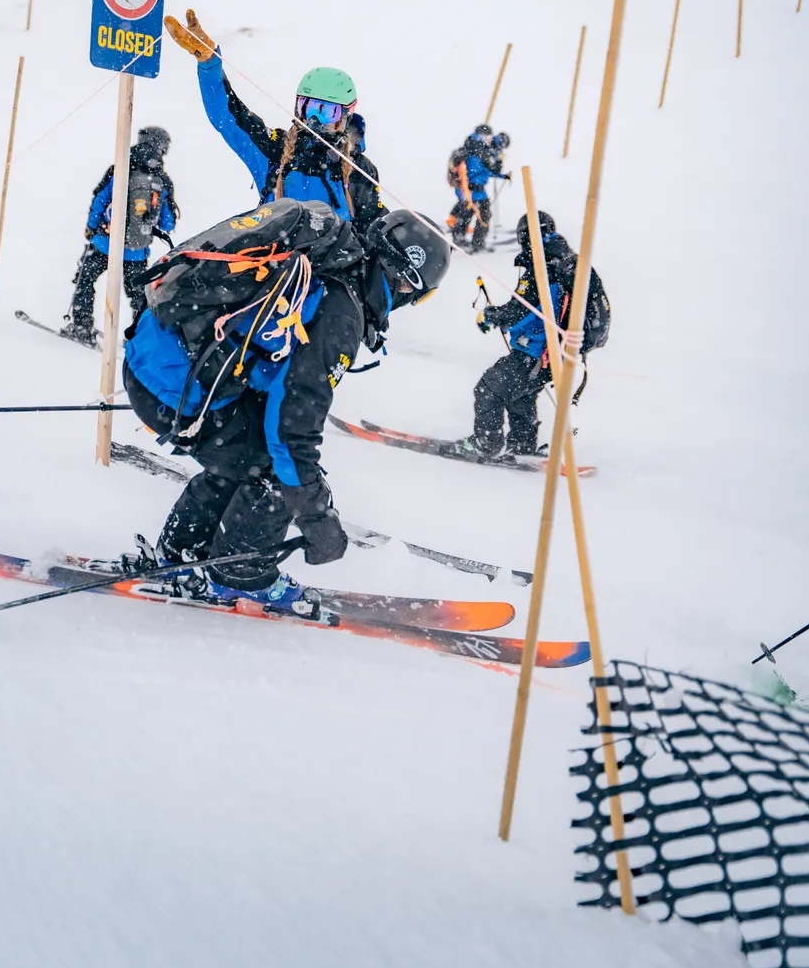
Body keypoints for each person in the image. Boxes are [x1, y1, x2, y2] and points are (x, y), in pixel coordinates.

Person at [123, 202, 451, 610]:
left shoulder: (332, 262)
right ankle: (239, 575)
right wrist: (317, 518)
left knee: (249, 449)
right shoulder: (341, 317)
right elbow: (293, 431)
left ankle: (182, 553)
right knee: (273, 466)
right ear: (407, 282)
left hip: (156, 356)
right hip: (173, 386)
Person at [164, 7, 384, 229]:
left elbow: (371, 236)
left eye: (326, 111)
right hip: (275, 262)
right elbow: (227, 116)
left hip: (333, 262)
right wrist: (209, 63)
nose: (314, 119)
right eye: (307, 107)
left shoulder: (358, 170)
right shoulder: (275, 150)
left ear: (345, 115)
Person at [460, 211, 583, 462]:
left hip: (536, 354)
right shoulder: (560, 263)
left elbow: (520, 309)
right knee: (520, 396)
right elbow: (534, 309)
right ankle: (522, 446)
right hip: (551, 356)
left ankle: (486, 443)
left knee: (488, 389)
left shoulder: (543, 266)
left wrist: (491, 315)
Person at [62, 126, 179, 344]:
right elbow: (167, 222)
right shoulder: (161, 181)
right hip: (136, 251)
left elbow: (100, 201)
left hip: (104, 243)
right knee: (138, 297)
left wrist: (92, 227)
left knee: (85, 280)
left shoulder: (122, 168)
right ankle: (138, 339)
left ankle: (81, 327)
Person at [446, 124, 510, 252]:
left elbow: (483, 170)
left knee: (469, 213)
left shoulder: (472, 145)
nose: (490, 139)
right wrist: (499, 160)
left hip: (467, 189)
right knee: (480, 215)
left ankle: (461, 239)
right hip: (473, 190)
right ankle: (475, 243)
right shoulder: (481, 149)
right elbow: (491, 168)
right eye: (488, 136)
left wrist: (502, 176)